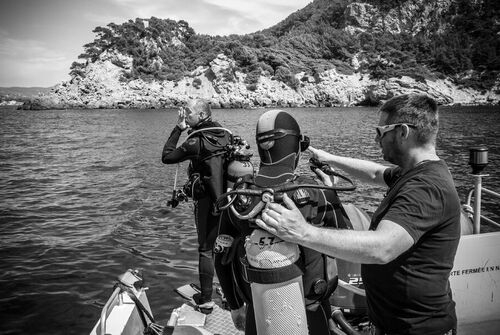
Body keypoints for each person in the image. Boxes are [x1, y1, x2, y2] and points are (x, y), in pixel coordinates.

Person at [256, 94, 461, 335]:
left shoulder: (426, 187)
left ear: (403, 132)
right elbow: (376, 174)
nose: (376, 139)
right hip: (392, 322)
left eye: (381, 131)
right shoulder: (416, 171)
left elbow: (381, 248)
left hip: (417, 328)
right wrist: (328, 157)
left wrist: (302, 231)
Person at [214, 109, 354, 334]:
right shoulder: (318, 191)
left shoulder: (240, 194)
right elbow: (350, 244)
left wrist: (234, 305)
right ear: (296, 147)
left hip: (257, 308)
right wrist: (331, 190)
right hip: (312, 310)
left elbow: (220, 254)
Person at [162, 99, 232, 312]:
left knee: (205, 250)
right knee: (226, 246)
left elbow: (167, 156)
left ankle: (207, 299)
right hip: (229, 201)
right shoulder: (224, 133)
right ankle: (231, 295)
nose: (185, 115)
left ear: (202, 115)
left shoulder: (196, 141)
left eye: (189, 113)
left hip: (208, 202)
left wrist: (178, 128)